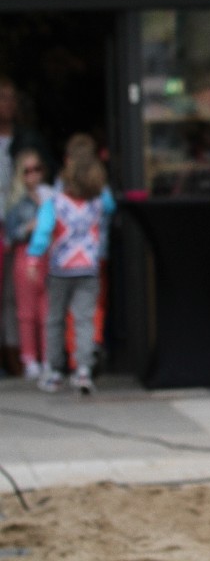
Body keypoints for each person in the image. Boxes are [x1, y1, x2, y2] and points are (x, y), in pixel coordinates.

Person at [28, 134, 116, 395]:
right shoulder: (99, 201)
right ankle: (83, 370)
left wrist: (33, 257)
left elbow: (43, 231)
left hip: (60, 269)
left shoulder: (54, 202)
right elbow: (111, 206)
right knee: (84, 320)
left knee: (55, 320)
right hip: (89, 268)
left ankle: (55, 372)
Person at [5, 148, 51, 381]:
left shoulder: (50, 196)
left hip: (48, 256)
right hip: (25, 255)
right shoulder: (17, 203)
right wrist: (29, 227)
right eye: (27, 171)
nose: (33, 175)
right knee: (26, 312)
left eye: (36, 169)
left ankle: (48, 358)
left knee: (47, 311)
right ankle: (29, 359)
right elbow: (10, 235)